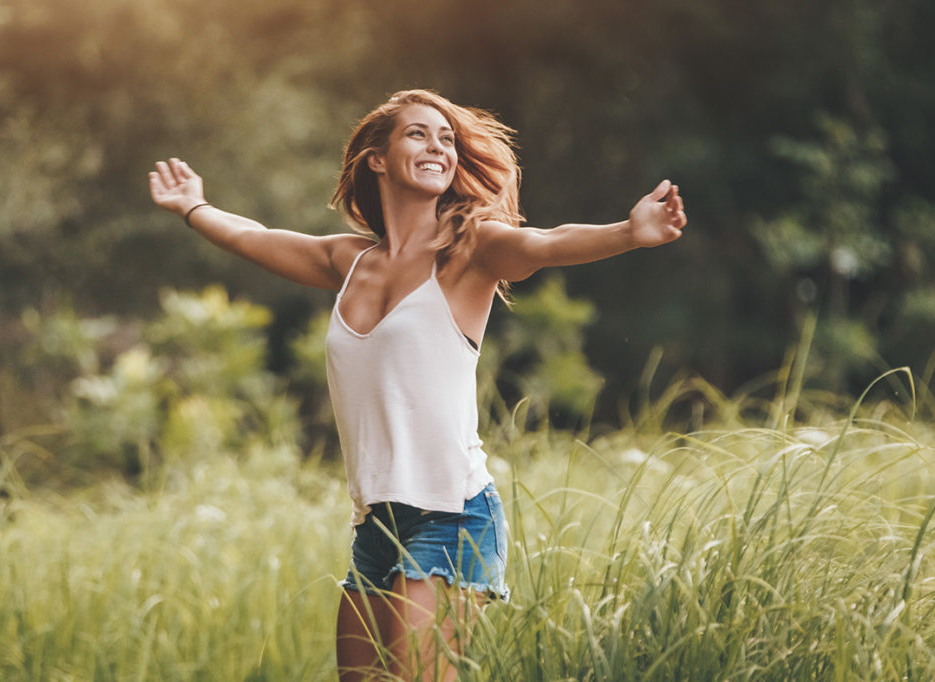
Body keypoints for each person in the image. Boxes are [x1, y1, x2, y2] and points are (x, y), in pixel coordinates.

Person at [149, 88, 686, 681]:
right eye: (418, 133)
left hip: (451, 516)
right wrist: (194, 208)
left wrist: (628, 232)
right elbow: (253, 236)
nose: (438, 146)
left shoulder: (471, 250)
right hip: (376, 524)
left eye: (447, 138)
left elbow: (545, 243)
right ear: (377, 159)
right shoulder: (348, 261)